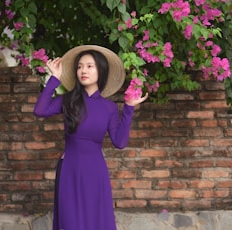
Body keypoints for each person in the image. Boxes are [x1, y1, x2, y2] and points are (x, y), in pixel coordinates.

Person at [33, 45, 148, 230]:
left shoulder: (109, 107)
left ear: (100, 71)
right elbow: (39, 110)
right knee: (69, 222)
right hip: (69, 168)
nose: (83, 70)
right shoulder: (68, 100)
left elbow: (120, 142)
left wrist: (128, 108)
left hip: (95, 171)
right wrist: (54, 78)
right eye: (79, 66)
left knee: (96, 221)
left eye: (89, 66)